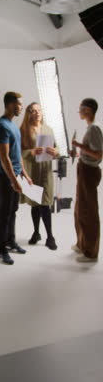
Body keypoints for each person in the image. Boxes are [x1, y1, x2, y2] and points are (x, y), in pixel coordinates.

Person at [0, 91, 32, 265]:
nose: (22, 107)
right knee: (3, 213)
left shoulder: (13, 125)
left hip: (15, 175)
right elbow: (4, 158)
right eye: (19, 104)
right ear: (10, 104)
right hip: (4, 176)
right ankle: (1, 250)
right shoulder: (1, 126)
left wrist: (24, 174)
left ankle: (10, 242)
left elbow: (17, 154)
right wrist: (14, 181)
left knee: (12, 210)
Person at [20, 102, 59, 250]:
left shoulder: (48, 129)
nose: (37, 113)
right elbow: (17, 153)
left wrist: (56, 152)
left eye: (39, 110)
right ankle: (36, 233)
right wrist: (31, 152)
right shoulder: (23, 130)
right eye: (33, 111)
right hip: (32, 172)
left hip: (46, 172)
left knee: (45, 204)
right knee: (35, 205)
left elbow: (57, 148)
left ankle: (50, 236)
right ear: (29, 113)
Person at [71, 98, 103, 262]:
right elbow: (91, 153)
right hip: (84, 169)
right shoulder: (90, 128)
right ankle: (82, 243)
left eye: (81, 108)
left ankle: (90, 252)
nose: (79, 111)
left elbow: (98, 155)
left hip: (89, 172)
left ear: (88, 110)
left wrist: (78, 145)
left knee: (88, 212)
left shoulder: (94, 128)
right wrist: (79, 153)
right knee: (79, 209)